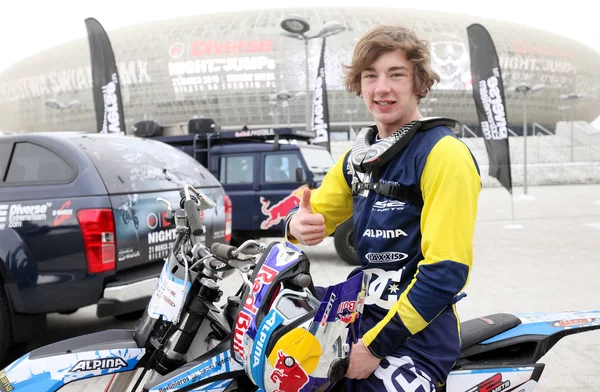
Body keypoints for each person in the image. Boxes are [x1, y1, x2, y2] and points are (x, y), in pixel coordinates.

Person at [284, 25, 481, 391]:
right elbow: (314, 217)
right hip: (357, 319)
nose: (381, 88)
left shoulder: (444, 153)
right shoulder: (356, 158)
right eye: (370, 76)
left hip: (417, 337)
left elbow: (446, 273)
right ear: (359, 85)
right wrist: (298, 224)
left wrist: (375, 347)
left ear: (419, 82)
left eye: (396, 75)